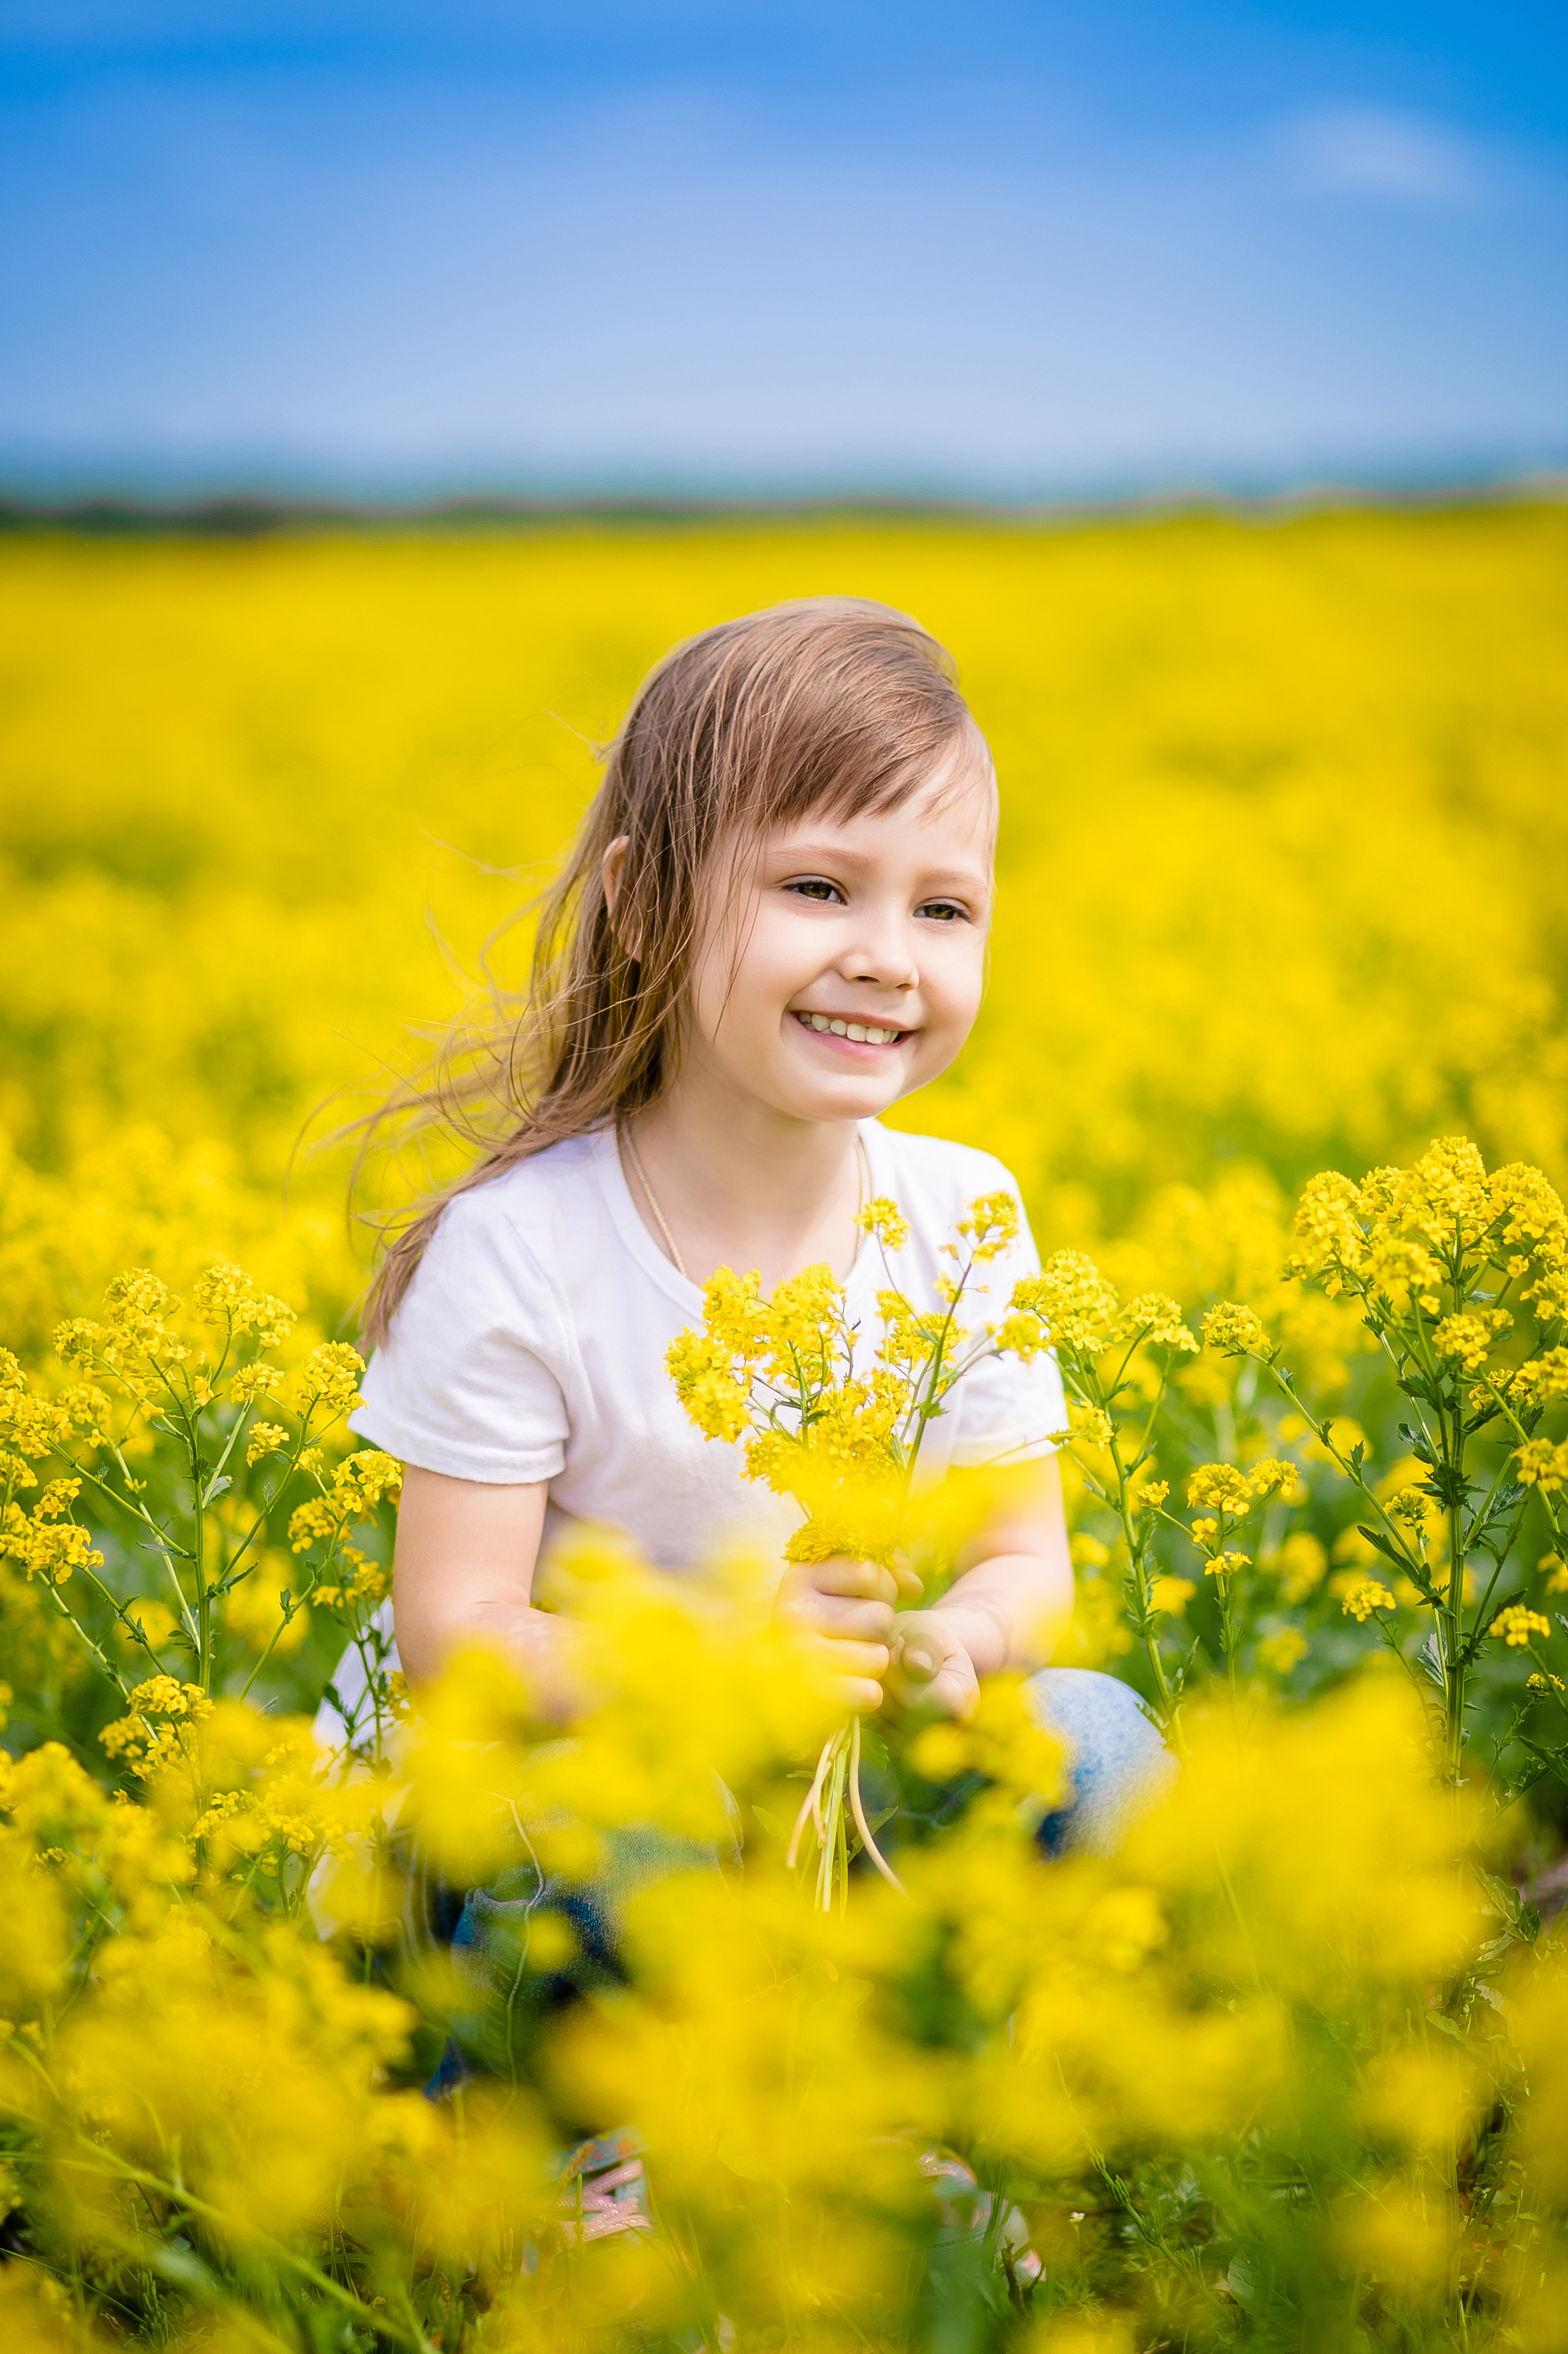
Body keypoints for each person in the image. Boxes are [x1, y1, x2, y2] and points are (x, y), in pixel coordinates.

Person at [348, 596, 1166, 1887]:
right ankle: (566, 2085)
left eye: (944, 910)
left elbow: (1022, 1560)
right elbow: (455, 1633)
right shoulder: (519, 1245)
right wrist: (723, 1668)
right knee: (606, 1834)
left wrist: (959, 1639)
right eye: (817, 887)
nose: (888, 959)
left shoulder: (964, 1216)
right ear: (639, 899)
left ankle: (1032, 2053)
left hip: (843, 1781)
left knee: (1102, 1737)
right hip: (604, 1772)